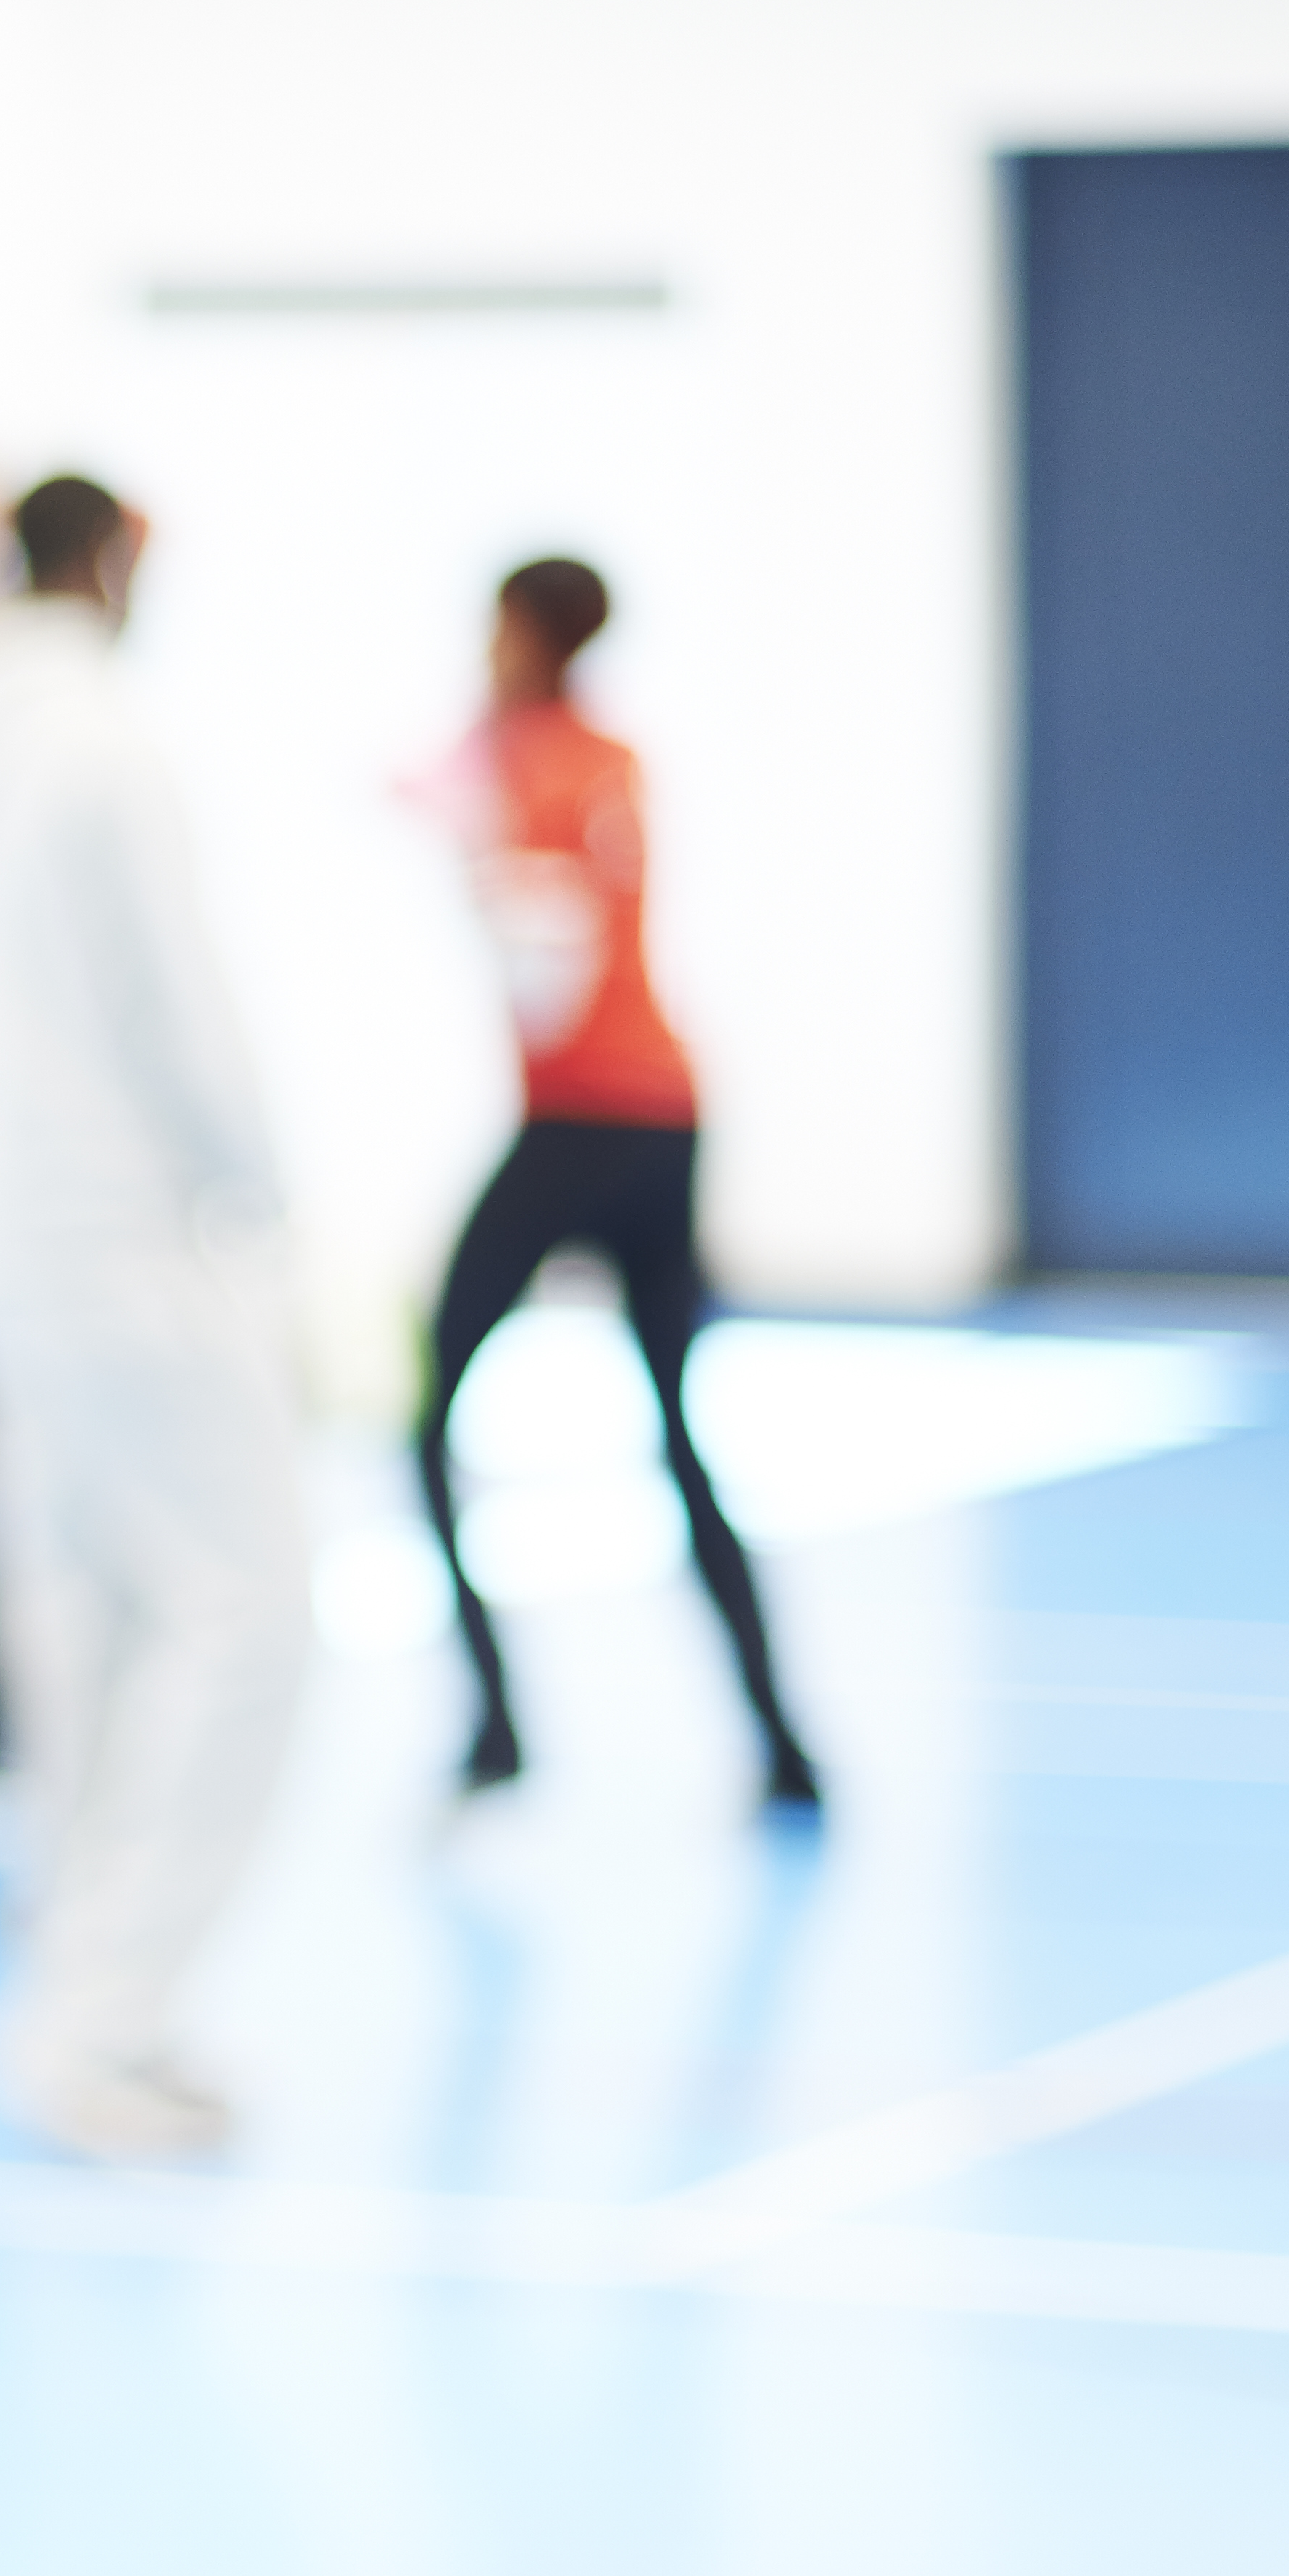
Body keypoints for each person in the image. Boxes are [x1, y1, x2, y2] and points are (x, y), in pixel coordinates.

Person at [0, 475, 305, 2160]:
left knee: (84, 1612)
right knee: (244, 1605)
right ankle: (106, 2009)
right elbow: (177, 1007)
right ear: (112, 561)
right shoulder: (99, 745)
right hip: (115, 1227)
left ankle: (78, 2004)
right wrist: (262, 1195)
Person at [411, 555, 823, 1808]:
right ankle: (781, 1737)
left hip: (584, 1121)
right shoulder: (610, 762)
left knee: (431, 1415)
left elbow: (548, 966)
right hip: (666, 1119)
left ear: (528, 635)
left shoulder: (526, 767)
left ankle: (496, 1722)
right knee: (677, 1433)